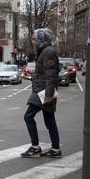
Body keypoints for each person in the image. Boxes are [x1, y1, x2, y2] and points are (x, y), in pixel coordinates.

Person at [21, 28, 61, 158]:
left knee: (28, 116)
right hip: (42, 90)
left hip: (43, 92)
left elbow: (51, 74)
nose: (33, 41)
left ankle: (35, 147)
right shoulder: (45, 51)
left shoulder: (48, 52)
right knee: (49, 120)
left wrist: (49, 93)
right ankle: (55, 149)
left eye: (34, 38)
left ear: (42, 38)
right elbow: (45, 72)